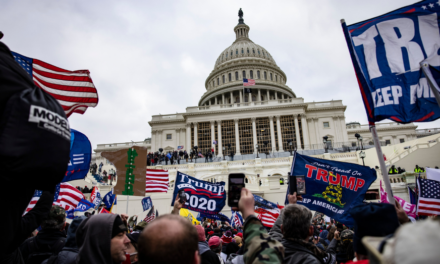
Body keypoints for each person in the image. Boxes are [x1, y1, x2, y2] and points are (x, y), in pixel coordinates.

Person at [269, 192, 338, 264]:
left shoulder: (270, 251)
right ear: (311, 231)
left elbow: (276, 231)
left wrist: (290, 205)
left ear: (282, 229)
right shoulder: (311, 260)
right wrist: (335, 239)